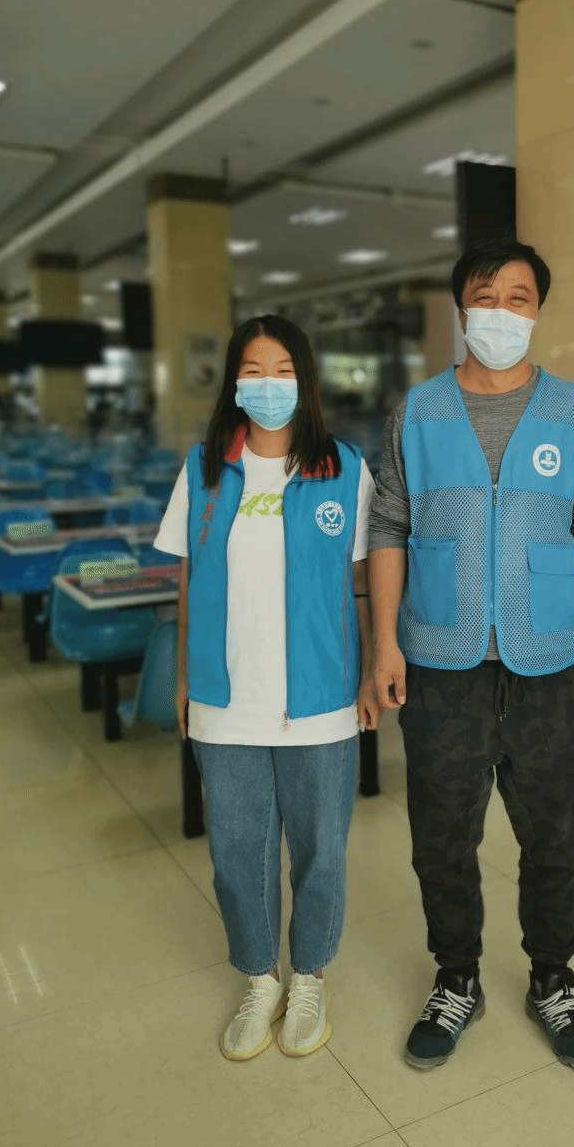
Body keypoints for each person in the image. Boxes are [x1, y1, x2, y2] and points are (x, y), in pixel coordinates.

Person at [368, 238, 574, 1073]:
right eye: (486, 296)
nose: (501, 312)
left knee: (556, 833)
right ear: (461, 308)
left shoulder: (570, 408)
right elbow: (389, 525)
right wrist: (384, 643)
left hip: (550, 659)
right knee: (441, 836)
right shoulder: (419, 410)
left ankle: (553, 975)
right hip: (442, 661)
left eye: (519, 298)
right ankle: (457, 976)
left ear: (537, 311)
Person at [153, 314, 378, 1062]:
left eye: (283, 370)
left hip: (320, 698)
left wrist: (371, 669)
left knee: (321, 851)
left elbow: (364, 582)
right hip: (226, 697)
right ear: (234, 383)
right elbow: (189, 578)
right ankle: (260, 977)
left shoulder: (344, 468)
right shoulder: (203, 469)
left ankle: (309, 976)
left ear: (305, 381)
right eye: (254, 370)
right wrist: (185, 678)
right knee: (237, 853)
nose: (269, 384)